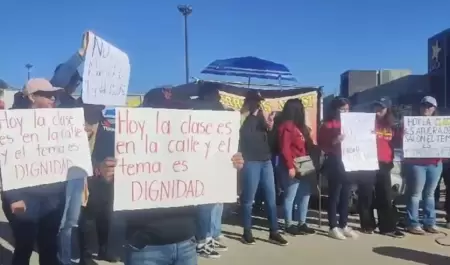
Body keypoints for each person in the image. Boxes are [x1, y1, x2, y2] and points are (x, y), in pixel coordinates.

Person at [1, 78, 66, 265]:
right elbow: (5, 161)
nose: (52, 98)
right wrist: (13, 197)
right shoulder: (13, 123)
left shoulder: (61, 122)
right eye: (46, 95)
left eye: (53, 94)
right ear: (31, 97)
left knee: (49, 247)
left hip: (53, 197)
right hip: (25, 197)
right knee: (24, 246)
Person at [51, 35, 88, 265]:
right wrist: (80, 55)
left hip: (76, 170)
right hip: (55, 169)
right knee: (62, 220)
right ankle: (62, 257)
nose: (75, 86)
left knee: (72, 220)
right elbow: (60, 78)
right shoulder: (56, 99)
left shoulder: (75, 105)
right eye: (74, 82)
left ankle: (67, 256)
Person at [239, 91, 288, 246]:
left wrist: (271, 124)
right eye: (255, 101)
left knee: (271, 198)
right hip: (250, 161)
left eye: (259, 101)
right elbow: (242, 136)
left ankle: (274, 232)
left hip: (266, 161)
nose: (257, 104)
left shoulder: (263, 116)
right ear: (248, 102)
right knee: (248, 200)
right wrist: (250, 115)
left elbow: (269, 133)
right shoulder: (242, 118)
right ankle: (247, 231)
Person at [358, 98, 405, 237]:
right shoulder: (364, 123)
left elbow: (398, 141)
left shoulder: (391, 125)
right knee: (366, 195)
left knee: (385, 195)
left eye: (381, 108)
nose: (378, 110)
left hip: (385, 163)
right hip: (367, 162)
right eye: (376, 107)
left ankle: (387, 227)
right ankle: (367, 225)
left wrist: (405, 134)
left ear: (387, 109)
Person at [194, 84, 228, 258]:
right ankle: (203, 240)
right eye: (217, 92)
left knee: (211, 202)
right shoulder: (214, 108)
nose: (220, 96)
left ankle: (207, 237)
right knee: (207, 203)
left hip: (207, 159)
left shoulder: (193, 106)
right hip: (209, 161)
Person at [318, 96, 358, 240]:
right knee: (334, 194)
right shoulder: (327, 124)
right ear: (335, 109)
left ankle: (344, 224)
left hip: (349, 160)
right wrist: (334, 141)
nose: (345, 112)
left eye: (347, 109)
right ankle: (332, 226)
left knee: (346, 194)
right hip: (335, 161)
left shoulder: (352, 123)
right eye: (342, 109)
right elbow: (322, 144)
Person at [277, 99, 316, 236]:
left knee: (305, 193)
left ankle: (302, 221)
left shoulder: (299, 127)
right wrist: (289, 166)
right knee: (290, 194)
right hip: (293, 162)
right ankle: (288, 223)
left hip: (304, 161)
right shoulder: (286, 126)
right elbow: (285, 148)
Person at [405, 96, 442, 235]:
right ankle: (412, 223)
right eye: (424, 105)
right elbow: (399, 138)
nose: (426, 108)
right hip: (416, 164)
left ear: (434, 108)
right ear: (419, 107)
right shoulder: (410, 123)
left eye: (430, 106)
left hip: (435, 163)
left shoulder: (441, 124)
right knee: (415, 194)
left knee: (430, 194)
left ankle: (429, 222)